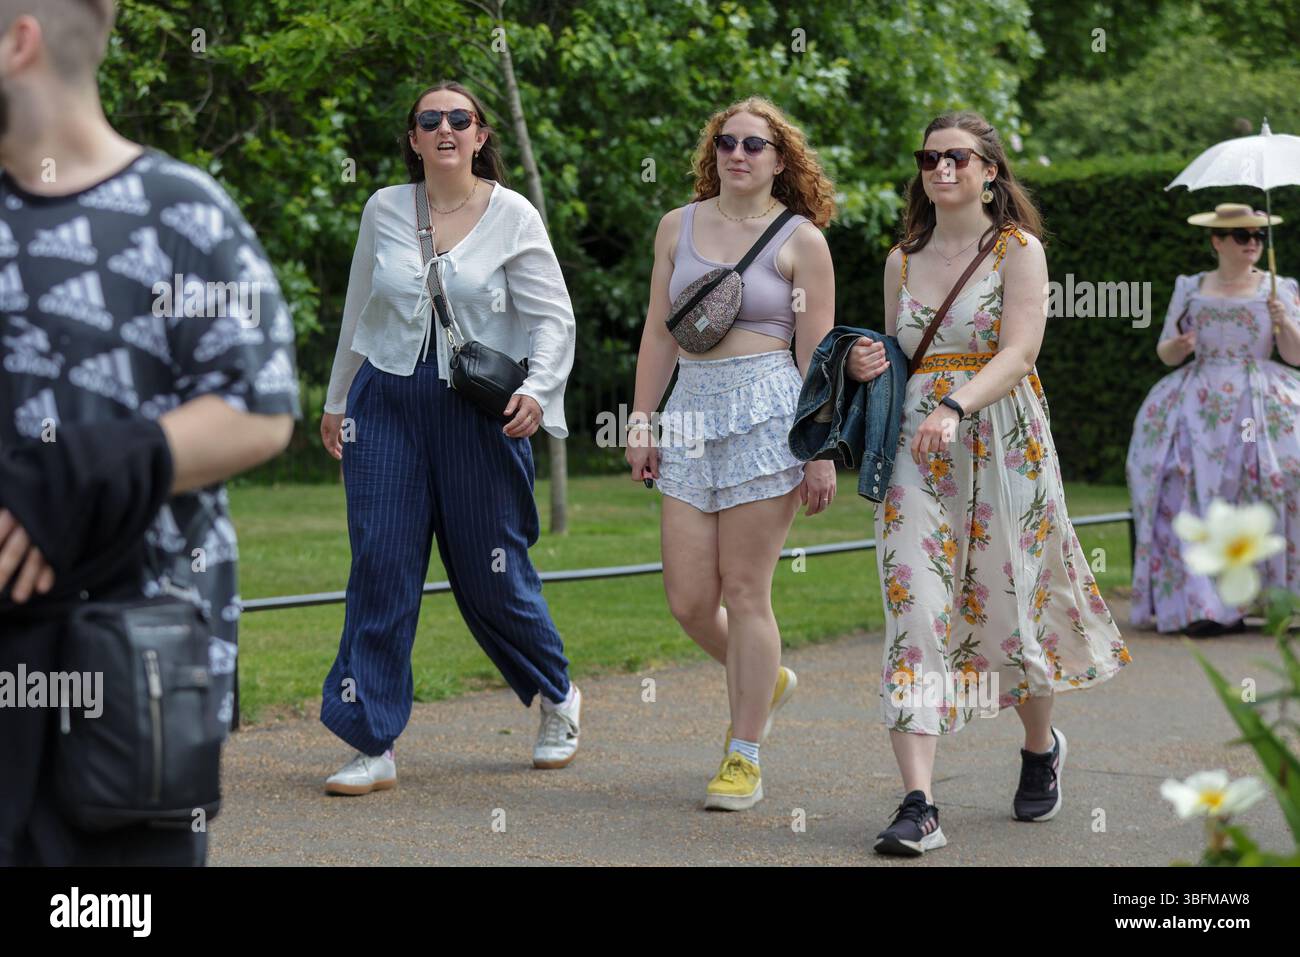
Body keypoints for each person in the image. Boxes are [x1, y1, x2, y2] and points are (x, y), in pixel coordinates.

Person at [0, 0, 300, 865]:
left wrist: (86, 472)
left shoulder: (180, 212)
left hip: (133, 680)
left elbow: (258, 404)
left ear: (19, 43)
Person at [847, 111, 1130, 855]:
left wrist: (957, 403)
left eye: (959, 159)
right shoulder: (900, 260)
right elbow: (898, 352)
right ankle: (919, 803)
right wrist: (868, 365)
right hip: (917, 448)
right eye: (931, 158)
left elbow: (1021, 349)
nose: (943, 170)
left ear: (990, 170)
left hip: (1003, 440)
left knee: (1014, 601)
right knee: (914, 601)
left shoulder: (1018, 250)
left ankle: (1039, 745)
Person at [318, 81, 579, 793]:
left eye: (458, 119)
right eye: (429, 120)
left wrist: (537, 387)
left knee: (491, 576)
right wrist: (338, 397)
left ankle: (556, 695)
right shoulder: (384, 208)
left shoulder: (512, 214)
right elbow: (357, 305)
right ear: (413, 138)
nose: (444, 129)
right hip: (387, 400)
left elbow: (554, 318)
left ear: (481, 134)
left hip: (477, 408)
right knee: (381, 564)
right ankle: (370, 739)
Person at [626, 96, 837, 811]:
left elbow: (818, 355)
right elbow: (660, 333)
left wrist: (820, 448)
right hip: (690, 410)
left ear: (780, 160)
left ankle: (743, 753)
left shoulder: (802, 240)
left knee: (746, 591)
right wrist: (641, 419)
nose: (738, 153)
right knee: (689, 599)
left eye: (754, 144)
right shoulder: (675, 227)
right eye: (726, 141)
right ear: (712, 153)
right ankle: (764, 677)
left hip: (768, 412)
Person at [1127, 203, 1300, 636]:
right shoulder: (1190, 287)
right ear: (1217, 241)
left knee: (1273, 479)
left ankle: (1273, 598)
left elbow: (1295, 356)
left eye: (1258, 235)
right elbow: (1165, 351)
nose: (1253, 243)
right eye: (1242, 235)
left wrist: (1286, 323)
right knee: (1177, 480)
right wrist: (1181, 346)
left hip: (1259, 395)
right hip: (1196, 395)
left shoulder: (1280, 288)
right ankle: (1199, 604)